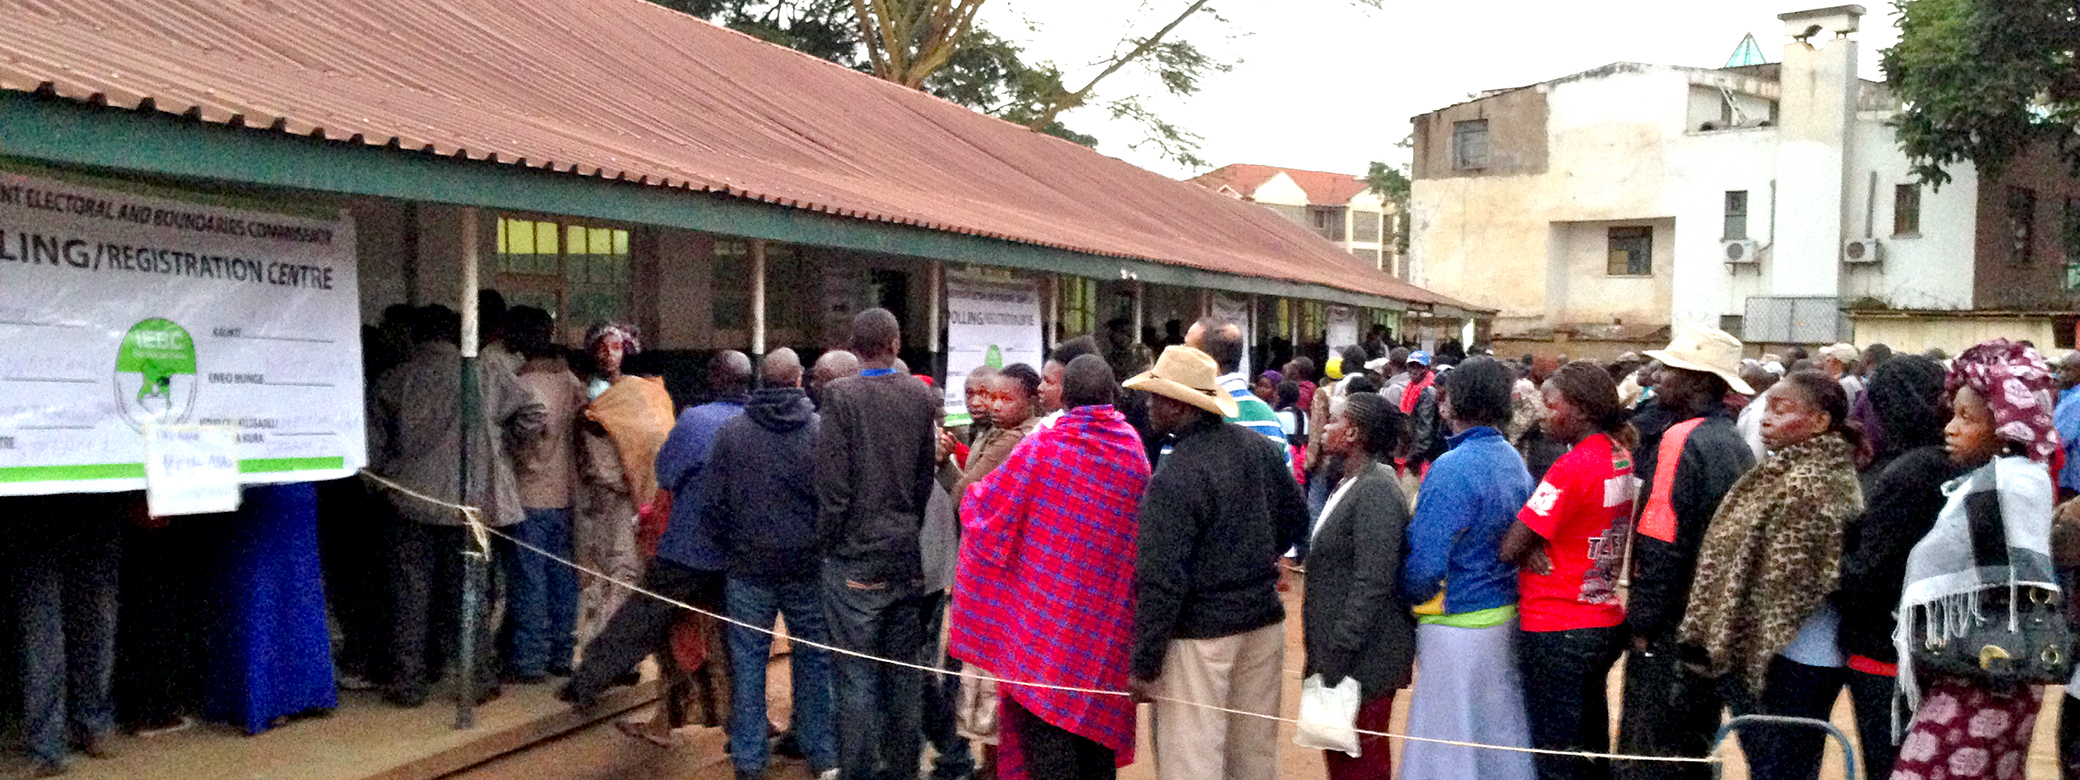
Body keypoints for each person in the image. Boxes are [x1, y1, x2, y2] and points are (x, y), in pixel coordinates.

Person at [950, 354, 1152, 780]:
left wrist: (957, 487)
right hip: (1107, 622)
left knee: (1048, 729)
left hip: (1045, 624)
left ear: (1067, 397)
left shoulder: (1045, 447)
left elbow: (988, 508)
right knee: (1096, 731)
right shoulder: (1132, 450)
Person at [1124, 346, 1308, 780]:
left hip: (1200, 636)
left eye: (1156, 398)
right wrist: (1258, 554)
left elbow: (1161, 578)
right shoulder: (1259, 449)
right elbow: (1296, 517)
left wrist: (1145, 663)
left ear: (1176, 404)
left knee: (1192, 761)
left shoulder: (1176, 475)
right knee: (1254, 759)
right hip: (1262, 623)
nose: (1149, 406)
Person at [1677, 371, 1863, 780]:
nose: (1766, 419)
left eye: (1782, 409)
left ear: (1820, 422)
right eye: (1767, 407)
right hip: (1778, 650)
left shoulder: (1812, 481)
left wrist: (1741, 631)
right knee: (1775, 762)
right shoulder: (1786, 468)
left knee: (1780, 766)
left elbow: (1794, 581)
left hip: (1793, 654)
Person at [1891, 340, 2061, 780]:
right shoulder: (2020, 479)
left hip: (1986, 672)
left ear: (2005, 426)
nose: (1950, 428)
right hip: (1994, 666)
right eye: (1953, 414)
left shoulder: (1998, 487)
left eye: (1966, 418)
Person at [368, 304, 546, 708]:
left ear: (416, 336)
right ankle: (479, 678)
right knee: (470, 594)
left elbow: (373, 448)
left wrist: (384, 481)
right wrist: (500, 446)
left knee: (410, 597)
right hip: (471, 504)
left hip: (409, 502)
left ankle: (408, 684)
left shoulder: (396, 378)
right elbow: (534, 411)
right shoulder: (484, 371)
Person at [561, 352, 748, 712]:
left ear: (714, 380)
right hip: (739, 552)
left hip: (687, 549)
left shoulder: (696, 420)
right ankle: (740, 720)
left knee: (642, 619)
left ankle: (587, 683)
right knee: (734, 639)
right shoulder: (755, 420)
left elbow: (665, 473)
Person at [1614, 325, 1756, 780]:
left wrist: (1643, 622)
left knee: (1650, 753)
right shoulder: (1732, 440)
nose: (1656, 377)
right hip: (1710, 620)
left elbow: (1661, 541)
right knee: (1692, 747)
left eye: (1671, 370)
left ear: (1698, 382)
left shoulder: (1679, 439)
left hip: (1672, 624)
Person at [816, 308, 941, 780]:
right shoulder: (918, 393)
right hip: (904, 555)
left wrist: (827, 545)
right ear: (895, 342)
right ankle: (904, 770)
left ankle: (858, 772)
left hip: (853, 558)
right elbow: (923, 477)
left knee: (855, 678)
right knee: (903, 674)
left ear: (853, 347)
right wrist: (906, 524)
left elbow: (833, 488)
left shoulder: (840, 396)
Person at [701, 349, 837, 780]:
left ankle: (749, 758)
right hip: (806, 567)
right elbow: (832, 502)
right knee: (815, 659)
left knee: (747, 662)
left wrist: (734, 547)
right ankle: (821, 752)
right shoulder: (820, 432)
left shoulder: (732, 432)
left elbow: (713, 503)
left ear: (762, 378)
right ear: (800, 380)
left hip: (747, 568)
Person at [1398, 357, 1536, 780]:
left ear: (1455, 402)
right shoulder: (1512, 459)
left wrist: (1406, 596)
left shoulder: (1451, 467)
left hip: (1455, 620)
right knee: (1496, 740)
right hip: (1502, 615)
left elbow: (1425, 564)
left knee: (1445, 745)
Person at [1498, 361, 1637, 780]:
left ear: (1579, 409)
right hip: (1599, 614)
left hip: (1558, 623)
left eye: (1552, 403)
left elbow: (1509, 547)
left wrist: (1528, 547)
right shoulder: (1619, 455)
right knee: (1590, 745)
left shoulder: (1572, 466)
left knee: (1557, 755)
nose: (1544, 413)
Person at [1829, 355, 1954, 780]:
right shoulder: (1954, 461)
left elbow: (1870, 571)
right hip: (1936, 641)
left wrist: (1819, 570)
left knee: (1890, 764)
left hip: (1885, 648)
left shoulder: (1907, 473)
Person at [1301, 393, 1416, 780]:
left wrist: (1338, 650)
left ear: (1352, 432)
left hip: (1363, 659)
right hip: (1342, 656)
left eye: (1332, 421)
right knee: (1341, 757)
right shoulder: (1351, 482)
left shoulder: (1377, 491)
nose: (1326, 429)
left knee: (1361, 763)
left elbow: (1373, 581)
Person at [947, 362, 1042, 772]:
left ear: (1030, 399)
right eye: (984, 395)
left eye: (1004, 398)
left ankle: (993, 768)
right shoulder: (994, 434)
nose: (991, 404)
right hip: (992, 574)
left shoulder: (1018, 440)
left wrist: (944, 465)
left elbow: (964, 496)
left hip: (1000, 578)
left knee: (991, 683)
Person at [573, 323, 677, 646]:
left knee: (627, 572)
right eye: (601, 348)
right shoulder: (592, 397)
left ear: (627, 351)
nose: (608, 354)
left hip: (640, 499)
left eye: (615, 347)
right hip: (607, 500)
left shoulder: (644, 394)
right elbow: (594, 459)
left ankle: (614, 648)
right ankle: (603, 649)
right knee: (608, 573)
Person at [11, 493, 129, 777]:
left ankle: (89, 725)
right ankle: (49, 743)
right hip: (29, 496)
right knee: (43, 624)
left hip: (93, 490)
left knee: (95, 616)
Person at [504, 306, 587, 683]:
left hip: (528, 494)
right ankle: (561, 653)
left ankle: (529, 659)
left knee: (528, 582)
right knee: (562, 579)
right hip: (566, 495)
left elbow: (517, 441)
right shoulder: (570, 382)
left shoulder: (519, 385)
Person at [1185, 317, 1290, 460]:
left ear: (1207, 360)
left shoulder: (1192, 413)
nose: (1180, 355)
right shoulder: (1269, 417)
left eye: (1187, 349)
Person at [1035, 336, 1101, 432]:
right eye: (1042, 380)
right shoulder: (1119, 428)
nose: (1040, 388)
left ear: (1072, 386)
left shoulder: (1048, 429)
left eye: (1049, 382)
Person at [2055, 351, 2080, 501]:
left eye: (2066, 369)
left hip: (2072, 479)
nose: (2059, 374)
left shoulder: (2076, 401)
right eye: (2059, 369)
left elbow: (2061, 440)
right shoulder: (2067, 397)